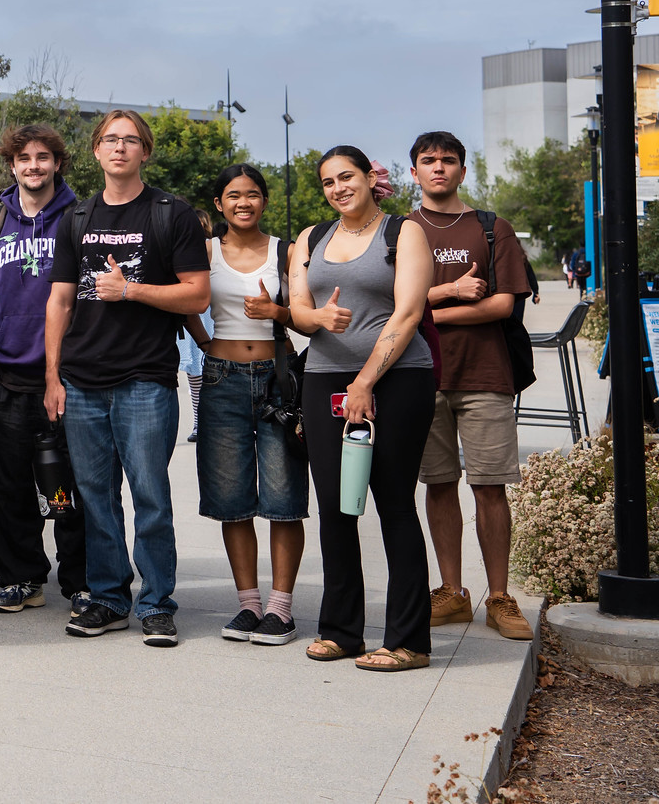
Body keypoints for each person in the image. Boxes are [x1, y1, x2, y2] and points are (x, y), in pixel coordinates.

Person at [43, 108, 211, 648]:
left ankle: (157, 603)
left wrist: (132, 290)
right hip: (82, 380)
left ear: (145, 152)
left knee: (150, 496)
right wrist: (53, 375)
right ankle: (109, 598)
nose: (119, 147)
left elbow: (197, 294)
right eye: (110, 139)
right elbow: (61, 300)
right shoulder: (76, 218)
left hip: (145, 378)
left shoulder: (172, 214)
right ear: (95, 151)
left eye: (130, 140)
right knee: (95, 498)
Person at [287, 146, 437, 672]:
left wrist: (366, 380)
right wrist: (315, 319)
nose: (337, 188)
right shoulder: (311, 238)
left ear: (371, 178)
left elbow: (410, 311)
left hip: (398, 380)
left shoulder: (404, 232)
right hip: (324, 379)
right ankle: (342, 631)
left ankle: (408, 641)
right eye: (328, 182)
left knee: (394, 505)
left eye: (346, 177)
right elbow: (299, 311)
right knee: (335, 507)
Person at [407, 132, 534, 643]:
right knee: (438, 484)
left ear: (462, 170)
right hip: (420, 375)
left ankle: (499, 597)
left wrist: (427, 313)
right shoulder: (399, 230)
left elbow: (503, 306)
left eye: (448, 161)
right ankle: (452, 592)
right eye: (428, 160)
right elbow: (395, 308)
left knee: (489, 486)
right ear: (413, 170)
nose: (438, 168)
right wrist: (455, 296)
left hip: (485, 375)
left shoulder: (491, 228)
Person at [0, 123, 87, 614]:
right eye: (24, 158)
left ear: (57, 162)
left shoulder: (80, 218)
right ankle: (22, 577)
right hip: (7, 376)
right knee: (10, 483)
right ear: (12, 165)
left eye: (43, 157)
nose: (33, 166)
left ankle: (80, 579)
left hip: (67, 375)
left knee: (72, 485)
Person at [183, 164, 307, 645]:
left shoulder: (287, 251)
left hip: (278, 378)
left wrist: (276, 313)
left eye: (253, 194)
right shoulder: (205, 250)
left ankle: (281, 610)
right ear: (219, 204)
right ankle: (249, 606)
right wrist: (206, 341)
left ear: (264, 201)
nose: (243, 203)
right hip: (221, 378)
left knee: (283, 497)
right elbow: (188, 304)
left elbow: (309, 313)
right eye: (233, 195)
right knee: (232, 498)